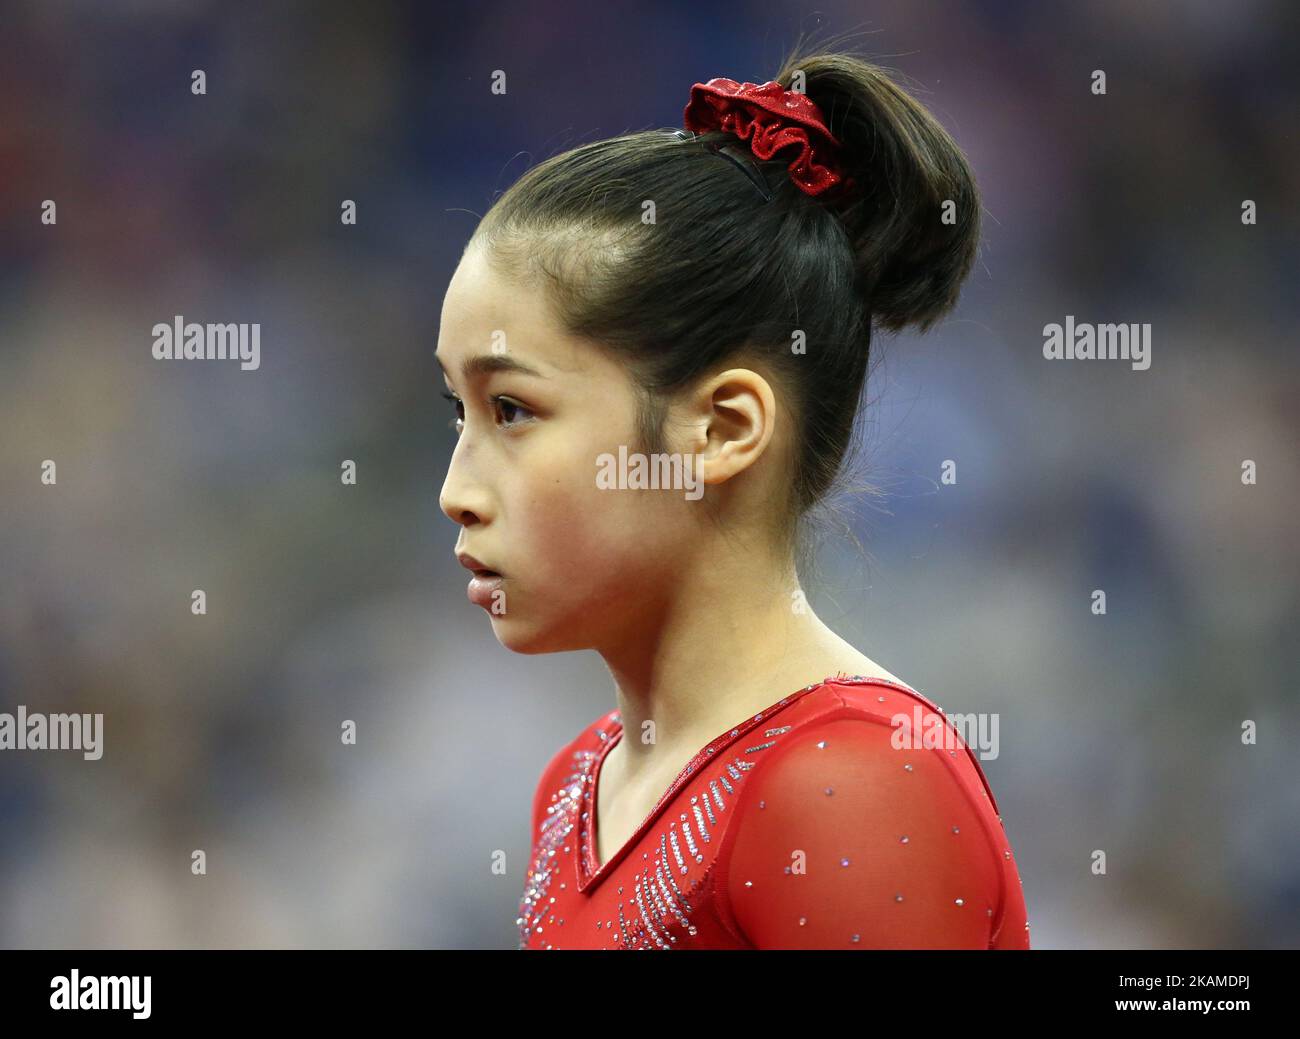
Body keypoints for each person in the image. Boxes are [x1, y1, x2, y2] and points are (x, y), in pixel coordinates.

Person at [436, 43, 1030, 949]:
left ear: (719, 429)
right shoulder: (578, 784)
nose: (456, 491)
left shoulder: (851, 782)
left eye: (512, 408)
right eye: (460, 411)